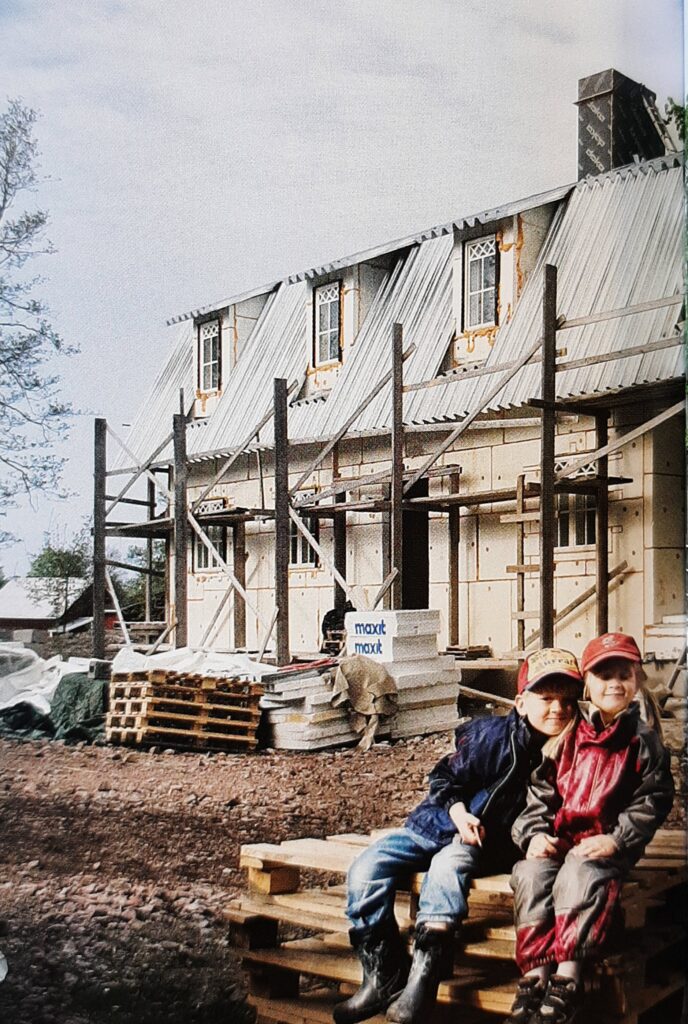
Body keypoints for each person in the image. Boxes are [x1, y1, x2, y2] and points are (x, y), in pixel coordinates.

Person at [333, 648, 584, 1024]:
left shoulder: (573, 753)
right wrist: (457, 811)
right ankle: (382, 974)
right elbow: (444, 777)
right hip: (436, 823)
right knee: (366, 868)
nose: (558, 709)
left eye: (567, 701)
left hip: (485, 843)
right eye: (546, 699)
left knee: (447, 868)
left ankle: (424, 976)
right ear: (520, 702)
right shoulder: (490, 736)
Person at [507, 632, 674, 1024]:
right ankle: (534, 977)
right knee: (529, 874)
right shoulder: (568, 738)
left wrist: (617, 840)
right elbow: (540, 795)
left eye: (623, 674)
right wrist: (533, 835)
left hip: (604, 846)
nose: (614, 683)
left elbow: (653, 799)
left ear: (636, 680)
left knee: (579, 874)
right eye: (603, 675)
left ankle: (568, 980)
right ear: (587, 683)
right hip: (562, 841)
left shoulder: (642, 741)